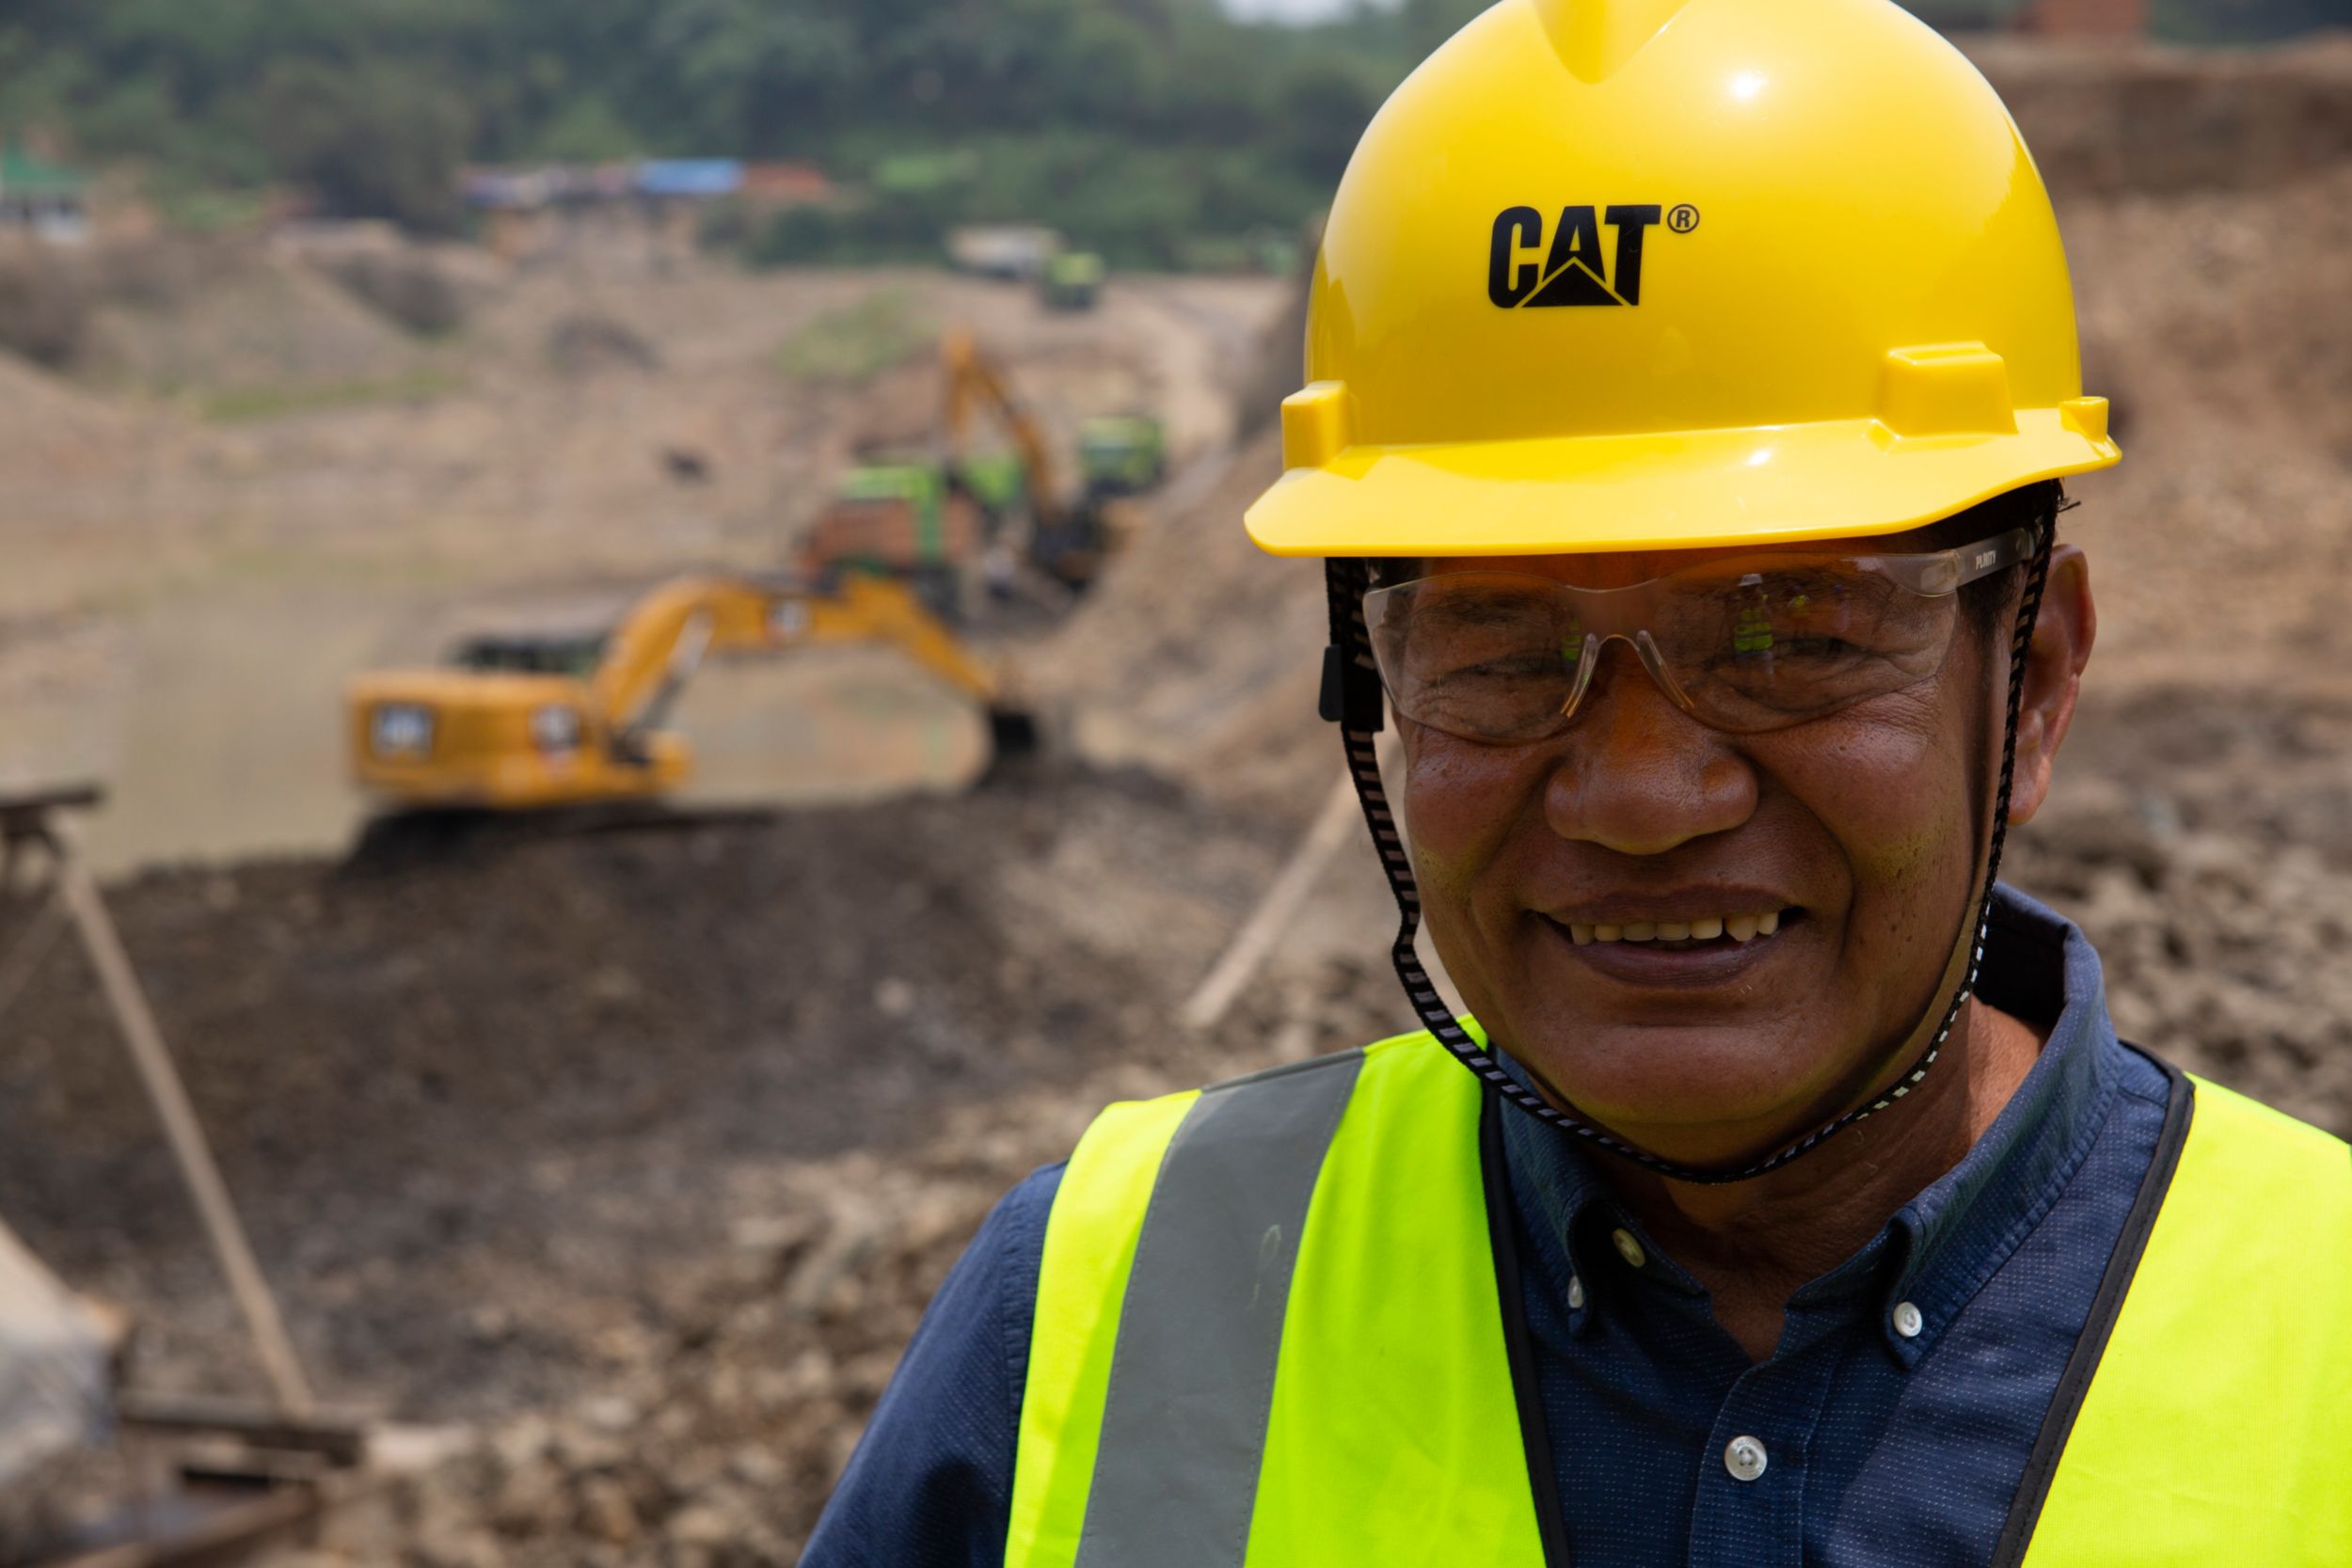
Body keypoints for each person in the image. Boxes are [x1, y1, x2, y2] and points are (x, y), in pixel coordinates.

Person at [803, 0, 2352, 1561]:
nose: (1639, 793)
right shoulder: (1100, 1321)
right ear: (1380, 689)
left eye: (1787, 636)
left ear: (2034, 679)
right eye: (1500, 649)